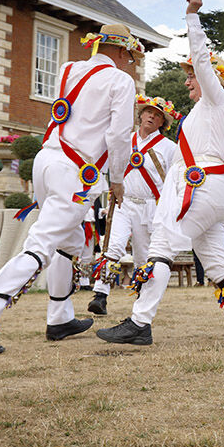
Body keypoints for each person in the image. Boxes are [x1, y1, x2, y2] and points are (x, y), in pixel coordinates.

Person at [96, 0, 224, 348]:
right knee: (216, 264)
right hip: (211, 190)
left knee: (161, 245)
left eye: (191, 75)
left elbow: (202, 61)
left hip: (204, 187)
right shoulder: (209, 110)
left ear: (209, 76)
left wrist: (192, 18)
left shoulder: (216, 98)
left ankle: (139, 322)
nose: (187, 81)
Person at [0, 24, 140, 354]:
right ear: (123, 51)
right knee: (42, 243)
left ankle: (59, 318)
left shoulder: (68, 69)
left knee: (66, 243)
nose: (131, 62)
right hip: (75, 171)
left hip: (46, 160)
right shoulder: (121, 81)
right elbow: (118, 135)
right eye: (131, 56)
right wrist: (117, 179)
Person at [87, 95, 181, 316]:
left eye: (158, 115)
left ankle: (141, 301)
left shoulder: (169, 147)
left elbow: (175, 180)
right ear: (140, 115)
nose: (151, 116)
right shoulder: (124, 139)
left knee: (144, 256)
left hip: (151, 207)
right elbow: (106, 165)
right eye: (149, 112)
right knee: (113, 245)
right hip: (122, 202)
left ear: (162, 123)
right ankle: (100, 295)